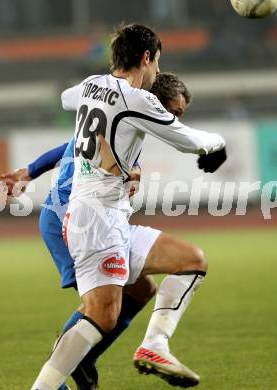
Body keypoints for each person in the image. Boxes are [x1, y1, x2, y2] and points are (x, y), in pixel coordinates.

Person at [31, 23, 225, 390]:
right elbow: (190, 142)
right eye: (156, 62)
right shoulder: (136, 99)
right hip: (94, 220)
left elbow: (66, 98)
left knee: (192, 260)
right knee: (102, 315)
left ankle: (154, 345)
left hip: (111, 216)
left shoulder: (93, 84)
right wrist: (219, 141)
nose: (156, 72)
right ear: (147, 57)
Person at [1, 72, 193, 390]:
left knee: (141, 290)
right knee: (99, 306)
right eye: (173, 112)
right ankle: (56, 379)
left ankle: (82, 361)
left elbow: (81, 145)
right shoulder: (126, 108)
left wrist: (30, 171)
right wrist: (30, 172)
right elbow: (76, 146)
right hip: (70, 218)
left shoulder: (128, 116)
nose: (174, 120)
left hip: (89, 218)